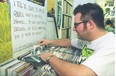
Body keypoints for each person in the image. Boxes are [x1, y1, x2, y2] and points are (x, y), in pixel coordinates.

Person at [38, 3, 115, 76]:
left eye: (76, 25)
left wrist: (50, 57)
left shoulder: (111, 46)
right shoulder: (88, 39)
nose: (73, 29)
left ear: (90, 24)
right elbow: (69, 42)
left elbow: (77, 74)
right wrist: (49, 41)